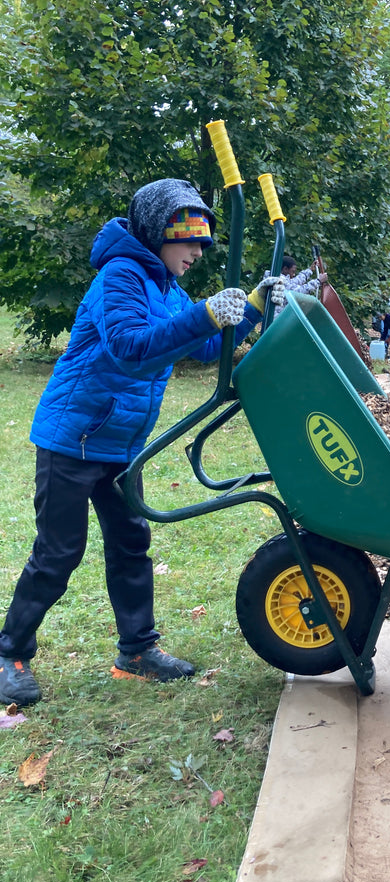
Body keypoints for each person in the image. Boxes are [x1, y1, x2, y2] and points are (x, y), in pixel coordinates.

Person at [0, 178, 283, 708]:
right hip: (73, 439)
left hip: (120, 444)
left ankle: (136, 652)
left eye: (204, 243)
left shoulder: (164, 285)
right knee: (59, 552)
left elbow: (199, 346)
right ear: (158, 233)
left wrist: (251, 309)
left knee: (131, 541)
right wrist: (206, 313)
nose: (198, 252)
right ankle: (9, 652)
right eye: (190, 240)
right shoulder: (121, 277)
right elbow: (131, 349)